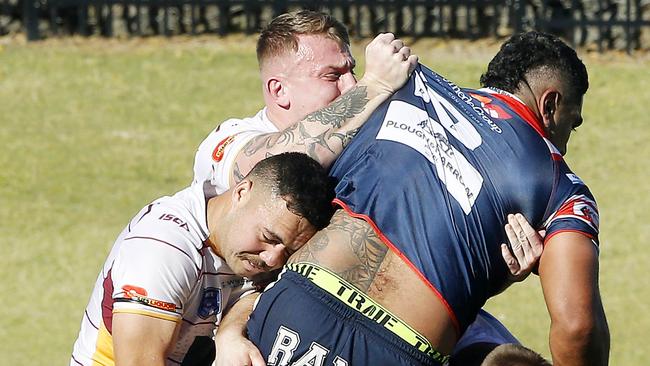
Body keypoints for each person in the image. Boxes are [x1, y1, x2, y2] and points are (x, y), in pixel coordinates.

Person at [194, 10, 544, 366]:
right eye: (333, 75)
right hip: (214, 324)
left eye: (353, 71)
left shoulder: (362, 143)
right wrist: (374, 86)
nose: (350, 84)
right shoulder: (232, 139)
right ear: (278, 90)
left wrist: (494, 271)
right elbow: (271, 168)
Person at [69, 152, 335, 366]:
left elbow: (255, 291)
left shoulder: (239, 244)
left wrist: (229, 333)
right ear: (241, 193)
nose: (272, 259)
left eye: (287, 251)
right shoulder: (163, 249)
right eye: (269, 237)